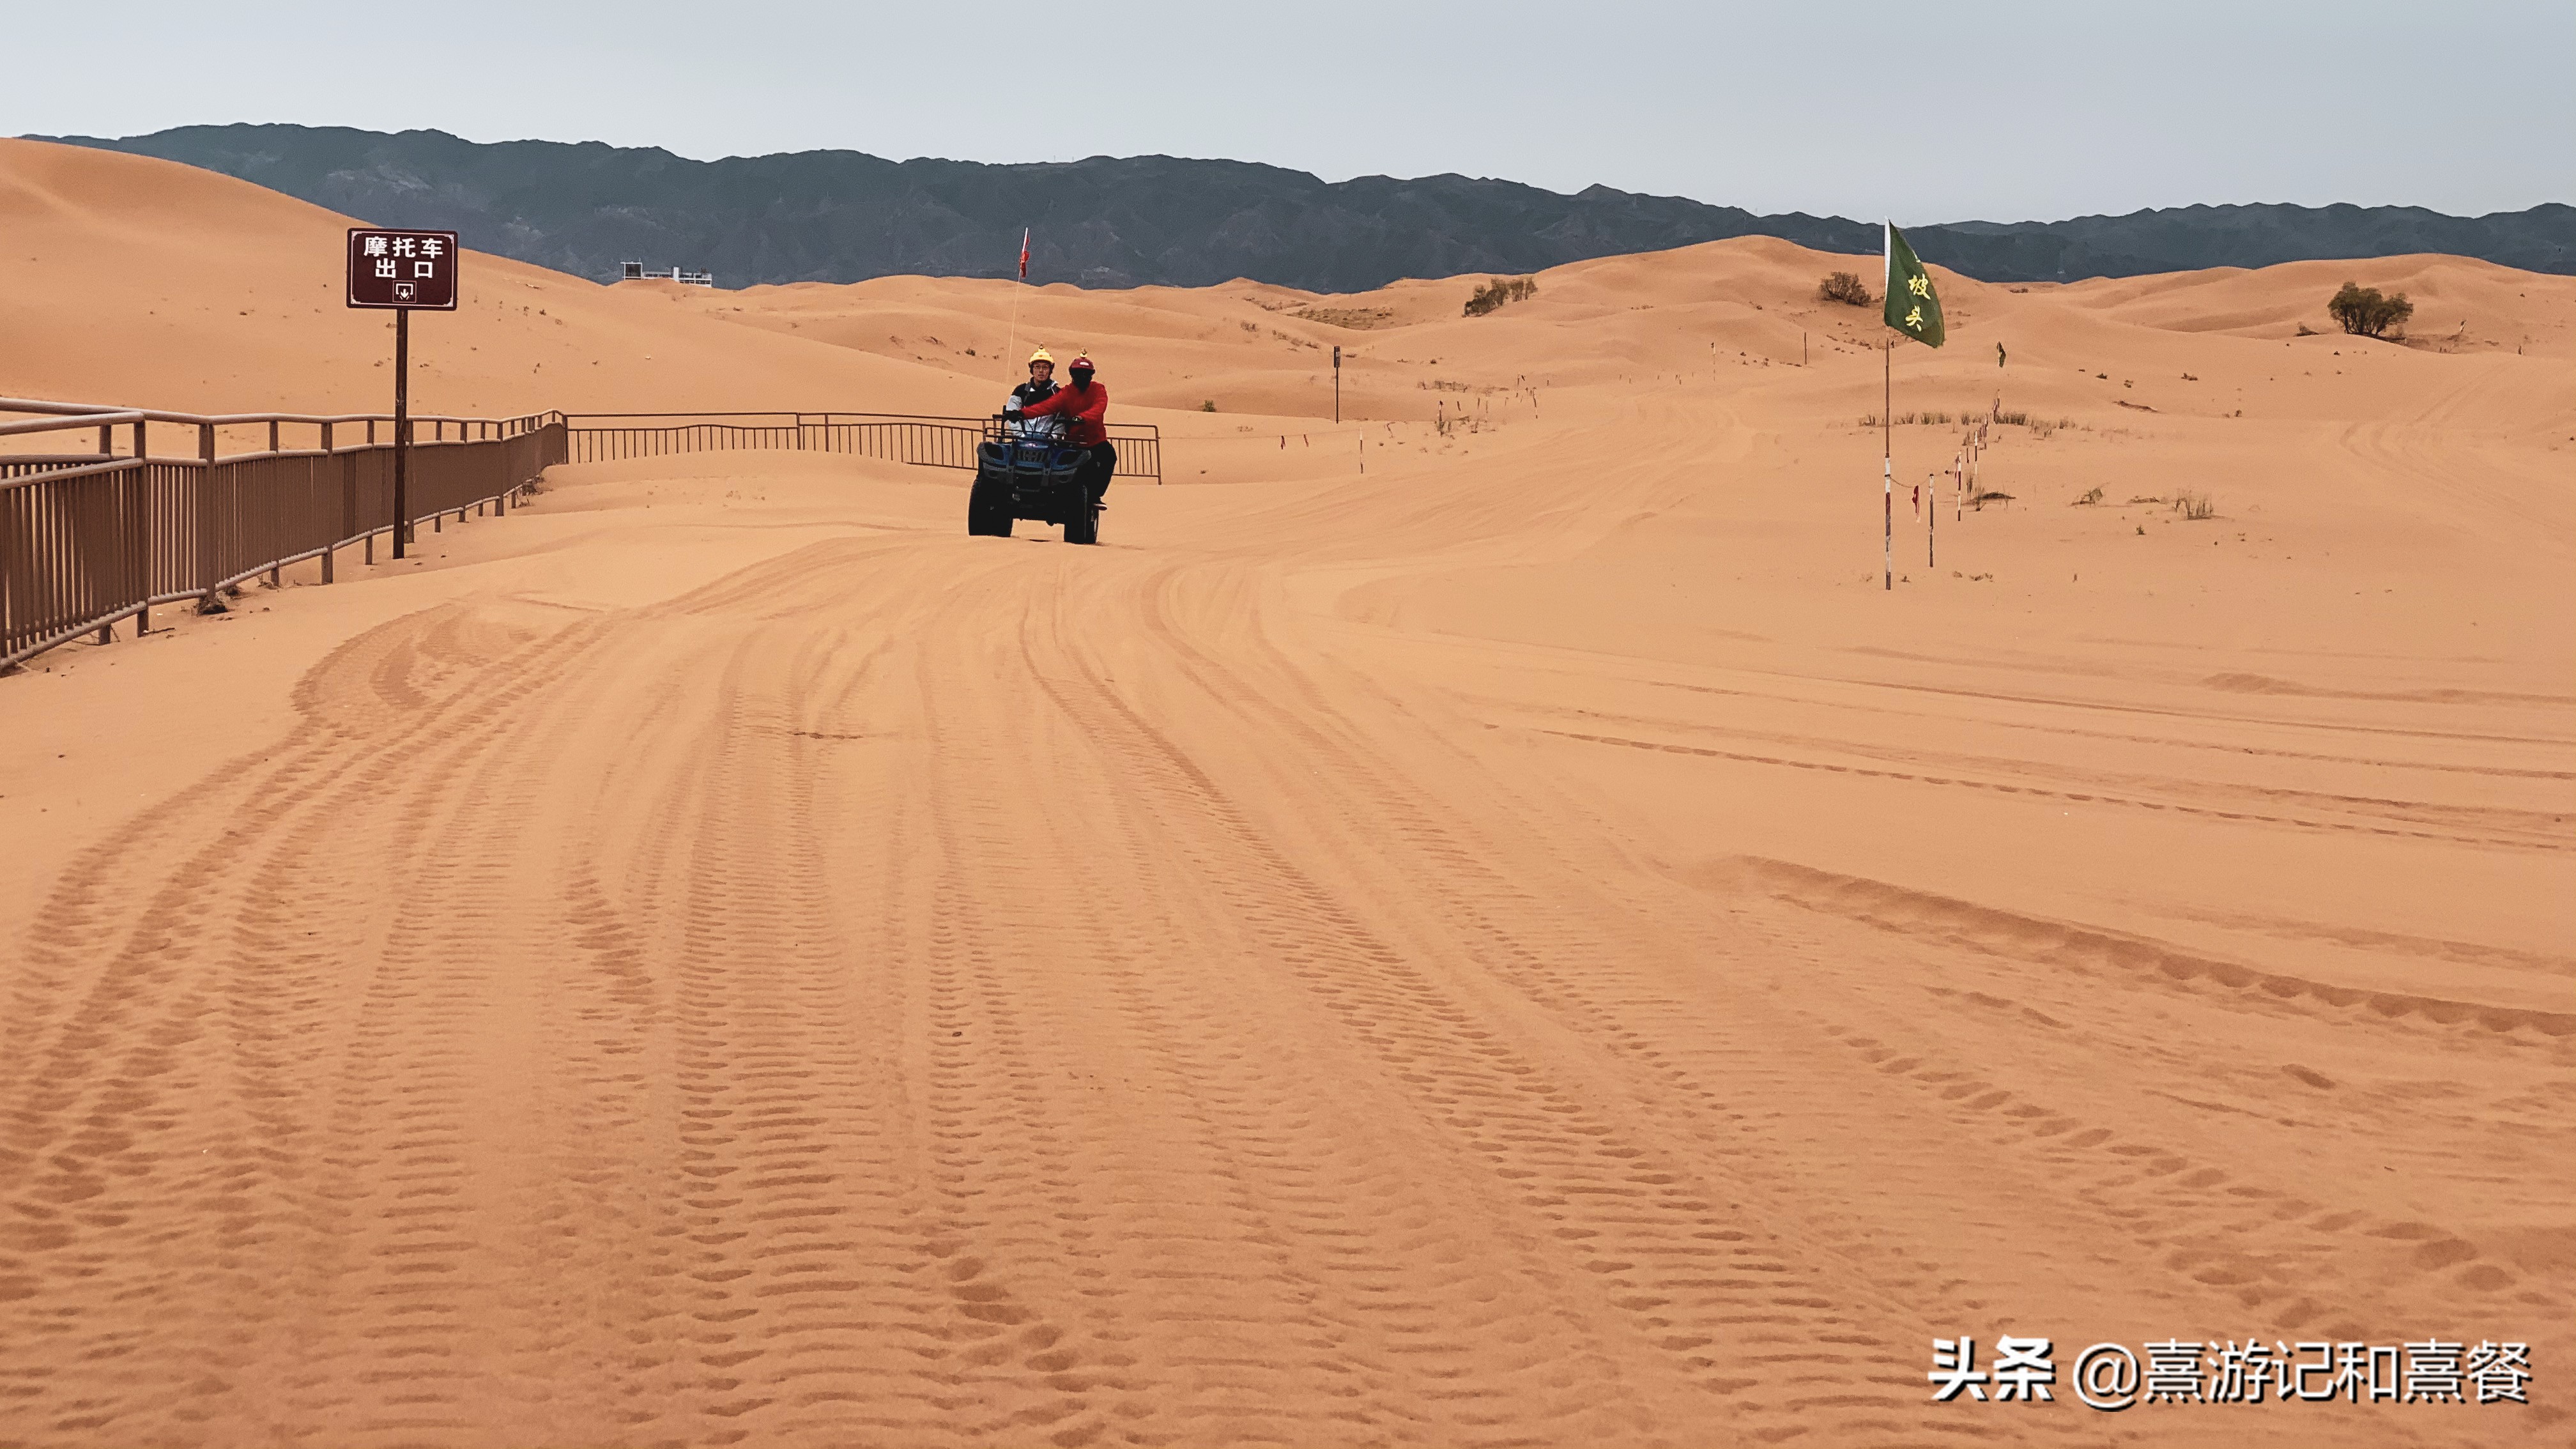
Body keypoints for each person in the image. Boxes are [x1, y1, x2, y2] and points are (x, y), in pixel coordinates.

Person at [1013, 353, 1115, 505]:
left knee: (1109, 458)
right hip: (1073, 442)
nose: (1082, 377)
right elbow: (1046, 407)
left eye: (1086, 374)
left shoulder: (1098, 389)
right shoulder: (1067, 393)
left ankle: (1096, 496)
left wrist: (1082, 418)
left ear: (1091, 376)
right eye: (1078, 374)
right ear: (1072, 375)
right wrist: (1021, 413)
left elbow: (1099, 408)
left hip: (1096, 441)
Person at [1005, 348, 1064, 441]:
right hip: (1022, 442)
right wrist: (1022, 435)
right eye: (1037, 367)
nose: (1041, 371)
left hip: (1049, 444)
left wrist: (1052, 437)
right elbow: (1011, 414)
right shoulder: (1020, 391)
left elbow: (1061, 420)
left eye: (1045, 367)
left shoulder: (1058, 393)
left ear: (1050, 370)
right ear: (1032, 369)